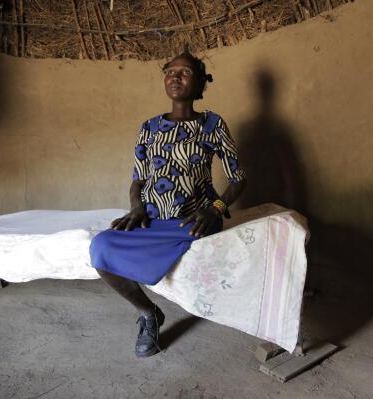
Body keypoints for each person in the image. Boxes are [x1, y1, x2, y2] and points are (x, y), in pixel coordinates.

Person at [89, 51, 246, 358]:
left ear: (200, 84)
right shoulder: (148, 127)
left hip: (195, 219)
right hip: (152, 219)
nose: (175, 76)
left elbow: (238, 179)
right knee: (101, 248)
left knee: (198, 237)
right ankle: (149, 313)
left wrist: (215, 208)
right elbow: (138, 180)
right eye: (170, 71)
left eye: (185, 72)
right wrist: (136, 208)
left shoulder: (212, 124)